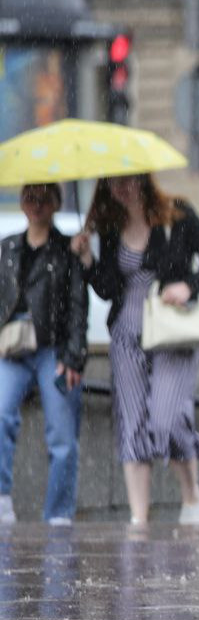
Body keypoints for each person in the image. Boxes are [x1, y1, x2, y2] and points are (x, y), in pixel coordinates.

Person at [71, 173, 199, 526]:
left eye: (127, 180)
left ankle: (193, 496)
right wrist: (87, 261)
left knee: (165, 419)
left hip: (172, 331)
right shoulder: (111, 226)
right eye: (112, 183)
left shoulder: (176, 213)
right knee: (132, 424)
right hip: (126, 333)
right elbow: (109, 289)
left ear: (143, 179)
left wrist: (189, 285)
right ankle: (139, 517)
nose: (121, 188)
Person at [0, 183, 87, 525]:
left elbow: (79, 307)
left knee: (62, 433)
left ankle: (59, 514)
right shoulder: (8, 248)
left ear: (56, 203)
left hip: (53, 347)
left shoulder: (67, 249)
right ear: (21, 203)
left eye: (43, 198)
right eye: (29, 197)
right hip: (12, 348)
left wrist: (75, 355)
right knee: (1, 415)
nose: (35, 205)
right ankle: (2, 499)